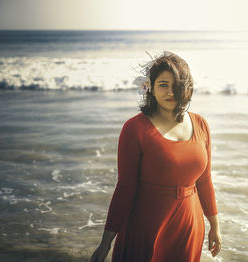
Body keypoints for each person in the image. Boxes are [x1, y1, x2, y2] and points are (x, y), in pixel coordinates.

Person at [90, 51, 221, 262]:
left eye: (177, 85)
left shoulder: (201, 124)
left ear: (187, 88)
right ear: (150, 87)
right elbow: (125, 188)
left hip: (189, 225)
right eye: (163, 85)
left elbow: (205, 180)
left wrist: (214, 225)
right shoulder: (135, 129)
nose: (171, 92)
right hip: (146, 226)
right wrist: (106, 243)